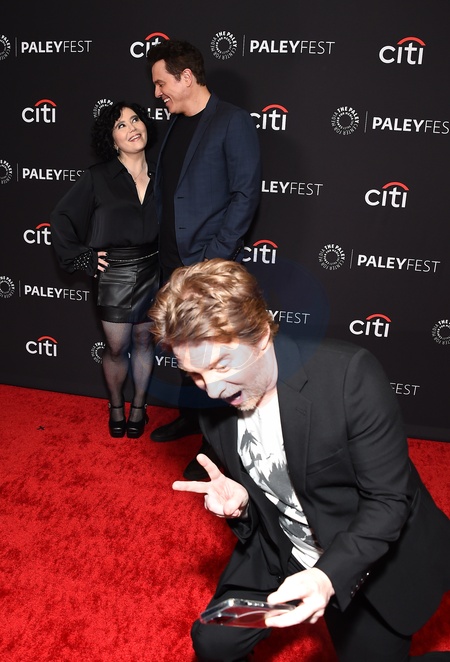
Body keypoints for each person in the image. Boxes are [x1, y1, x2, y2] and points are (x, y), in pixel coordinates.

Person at [148, 258, 450, 662]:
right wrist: (242, 506)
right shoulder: (214, 404)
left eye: (222, 365)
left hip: (363, 557)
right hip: (283, 550)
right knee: (213, 640)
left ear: (261, 335)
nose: (212, 389)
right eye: (196, 375)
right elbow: (269, 495)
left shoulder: (348, 377)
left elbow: (388, 501)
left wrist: (327, 576)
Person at [146, 40, 261, 476]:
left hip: (207, 265)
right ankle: (190, 418)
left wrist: (214, 258)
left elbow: (245, 195)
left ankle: (215, 449)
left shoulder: (232, 121)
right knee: (185, 350)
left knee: (215, 358)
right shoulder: (175, 125)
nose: (157, 93)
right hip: (170, 263)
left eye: (161, 83)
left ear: (187, 76)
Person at [51, 101, 159, 439]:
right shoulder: (97, 177)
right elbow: (61, 217)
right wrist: (83, 256)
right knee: (116, 347)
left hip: (155, 269)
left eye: (135, 119)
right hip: (115, 273)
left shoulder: (164, 173)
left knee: (144, 341)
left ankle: (139, 406)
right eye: (121, 125)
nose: (132, 128)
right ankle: (115, 405)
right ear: (112, 140)